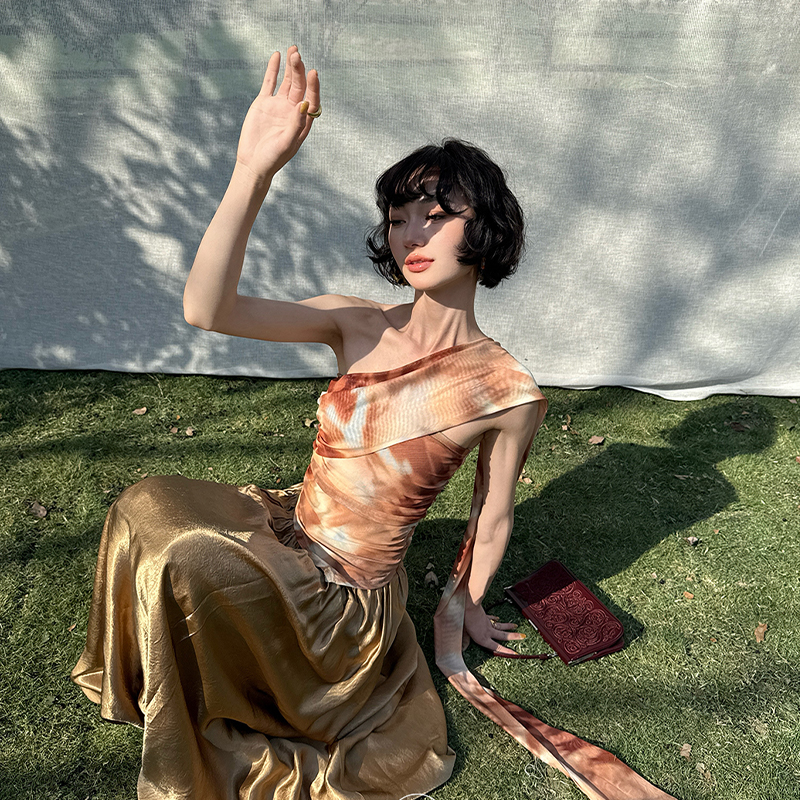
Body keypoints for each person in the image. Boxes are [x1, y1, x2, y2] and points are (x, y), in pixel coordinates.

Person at [72, 48, 674, 800]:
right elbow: (206, 309)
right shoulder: (355, 324)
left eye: (436, 216)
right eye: (397, 219)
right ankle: (155, 676)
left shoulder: (507, 391)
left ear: (485, 229)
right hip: (289, 533)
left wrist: (466, 605)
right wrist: (253, 170)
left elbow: (492, 517)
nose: (411, 235)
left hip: (343, 608)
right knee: (145, 504)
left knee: (188, 553)